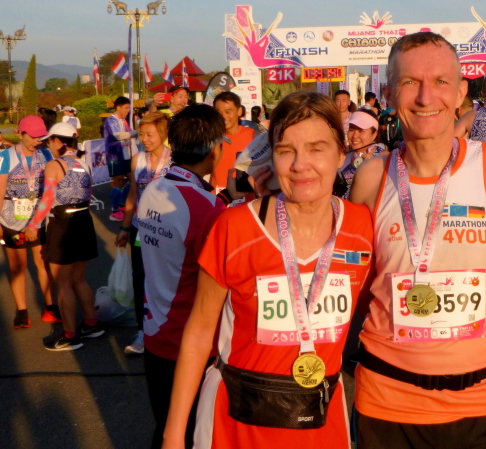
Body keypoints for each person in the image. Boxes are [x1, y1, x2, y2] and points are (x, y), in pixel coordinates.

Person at [349, 32, 486, 449]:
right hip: (384, 406)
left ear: (461, 93)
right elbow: (355, 290)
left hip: (482, 405)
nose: (426, 97)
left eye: (441, 81)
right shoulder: (370, 177)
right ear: (389, 94)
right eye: (410, 82)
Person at [162, 92, 373, 449]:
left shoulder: (361, 227)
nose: (300, 165)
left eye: (317, 148)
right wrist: (173, 435)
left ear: (341, 154)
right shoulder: (234, 227)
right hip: (236, 420)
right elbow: (199, 332)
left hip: (320, 419)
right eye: (286, 150)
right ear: (271, 156)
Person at [138, 104, 226, 449]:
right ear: (215, 151)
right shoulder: (208, 208)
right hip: (192, 345)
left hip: (154, 332)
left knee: (166, 427)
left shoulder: (153, 188)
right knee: (192, 435)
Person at [24, 122, 103, 350]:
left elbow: (48, 197)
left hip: (62, 224)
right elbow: (88, 196)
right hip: (83, 221)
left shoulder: (54, 165)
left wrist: (33, 225)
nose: (48, 145)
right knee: (79, 279)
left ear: (58, 141)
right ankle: (91, 324)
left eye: (49, 141)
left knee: (64, 284)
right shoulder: (84, 164)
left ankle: (70, 335)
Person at [115, 112, 172, 355]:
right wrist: (124, 227)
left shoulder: (175, 161)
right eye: (141, 135)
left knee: (167, 279)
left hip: (167, 231)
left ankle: (167, 329)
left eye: (150, 134)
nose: (145, 139)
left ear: (163, 133)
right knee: (141, 279)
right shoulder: (137, 159)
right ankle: (142, 330)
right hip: (140, 229)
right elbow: (132, 195)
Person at [0, 116, 58, 328]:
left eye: (40, 137)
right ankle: (22, 310)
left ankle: (50, 306)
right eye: (33, 137)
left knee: (43, 262)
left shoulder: (46, 154)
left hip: (39, 218)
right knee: (18, 266)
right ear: (20, 133)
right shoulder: (5, 156)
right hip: (11, 219)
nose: (37, 141)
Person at [211, 91, 255, 194]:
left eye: (228, 111)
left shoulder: (254, 137)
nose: (223, 116)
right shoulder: (210, 137)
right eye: (219, 112)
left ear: (239, 111)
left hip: (246, 198)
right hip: (216, 198)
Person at [339, 108, 387, 199]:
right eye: (351, 129)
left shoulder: (385, 159)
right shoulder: (343, 158)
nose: (355, 136)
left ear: (374, 134)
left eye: (361, 131)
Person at [104, 96, 134, 222]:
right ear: (118, 107)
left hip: (125, 155)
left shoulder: (123, 120)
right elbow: (118, 135)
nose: (128, 110)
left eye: (129, 108)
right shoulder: (111, 120)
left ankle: (121, 203)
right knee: (118, 181)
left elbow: (130, 133)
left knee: (132, 180)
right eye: (126, 108)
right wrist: (136, 132)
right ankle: (115, 210)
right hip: (114, 155)